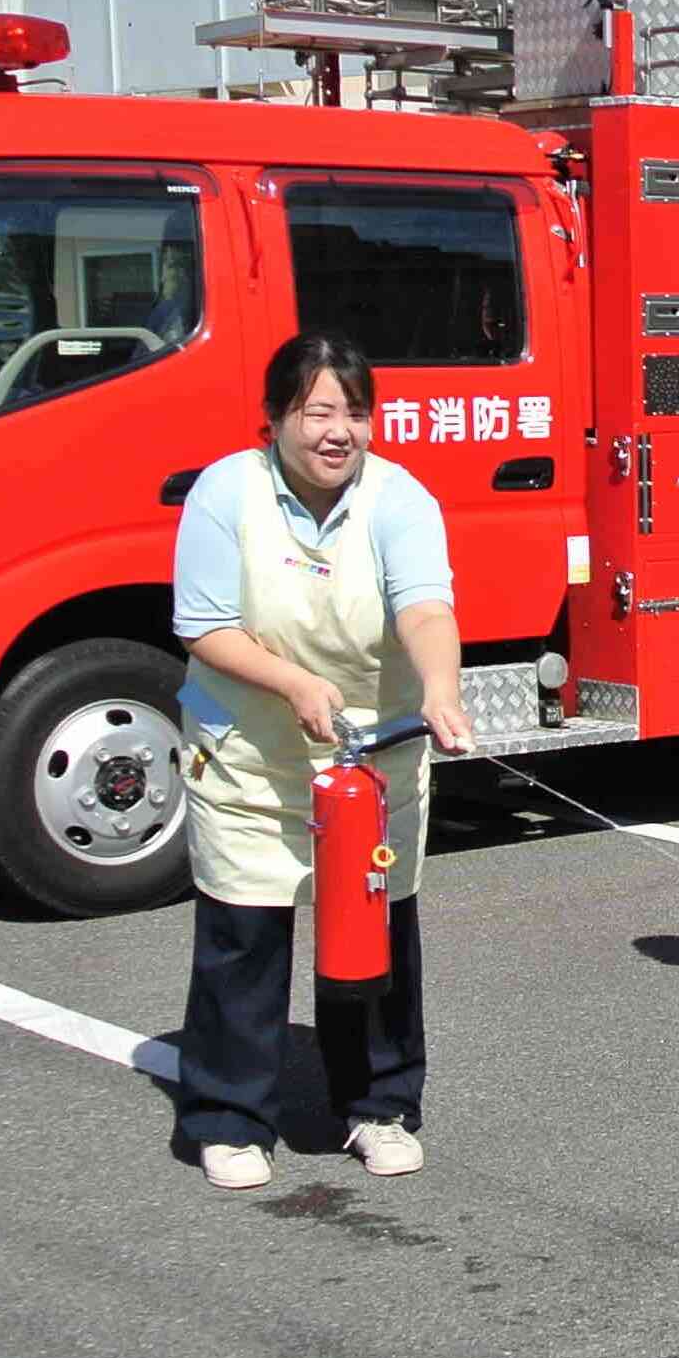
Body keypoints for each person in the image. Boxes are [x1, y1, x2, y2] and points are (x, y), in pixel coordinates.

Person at [170, 333, 476, 1192]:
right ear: (273, 419)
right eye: (317, 411)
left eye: (353, 411)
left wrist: (442, 688)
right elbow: (203, 624)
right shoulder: (227, 491)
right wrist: (293, 682)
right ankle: (229, 1118)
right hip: (250, 753)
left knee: (373, 933)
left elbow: (425, 606)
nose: (338, 431)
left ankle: (379, 1105)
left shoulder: (398, 497)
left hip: (372, 754)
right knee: (244, 935)